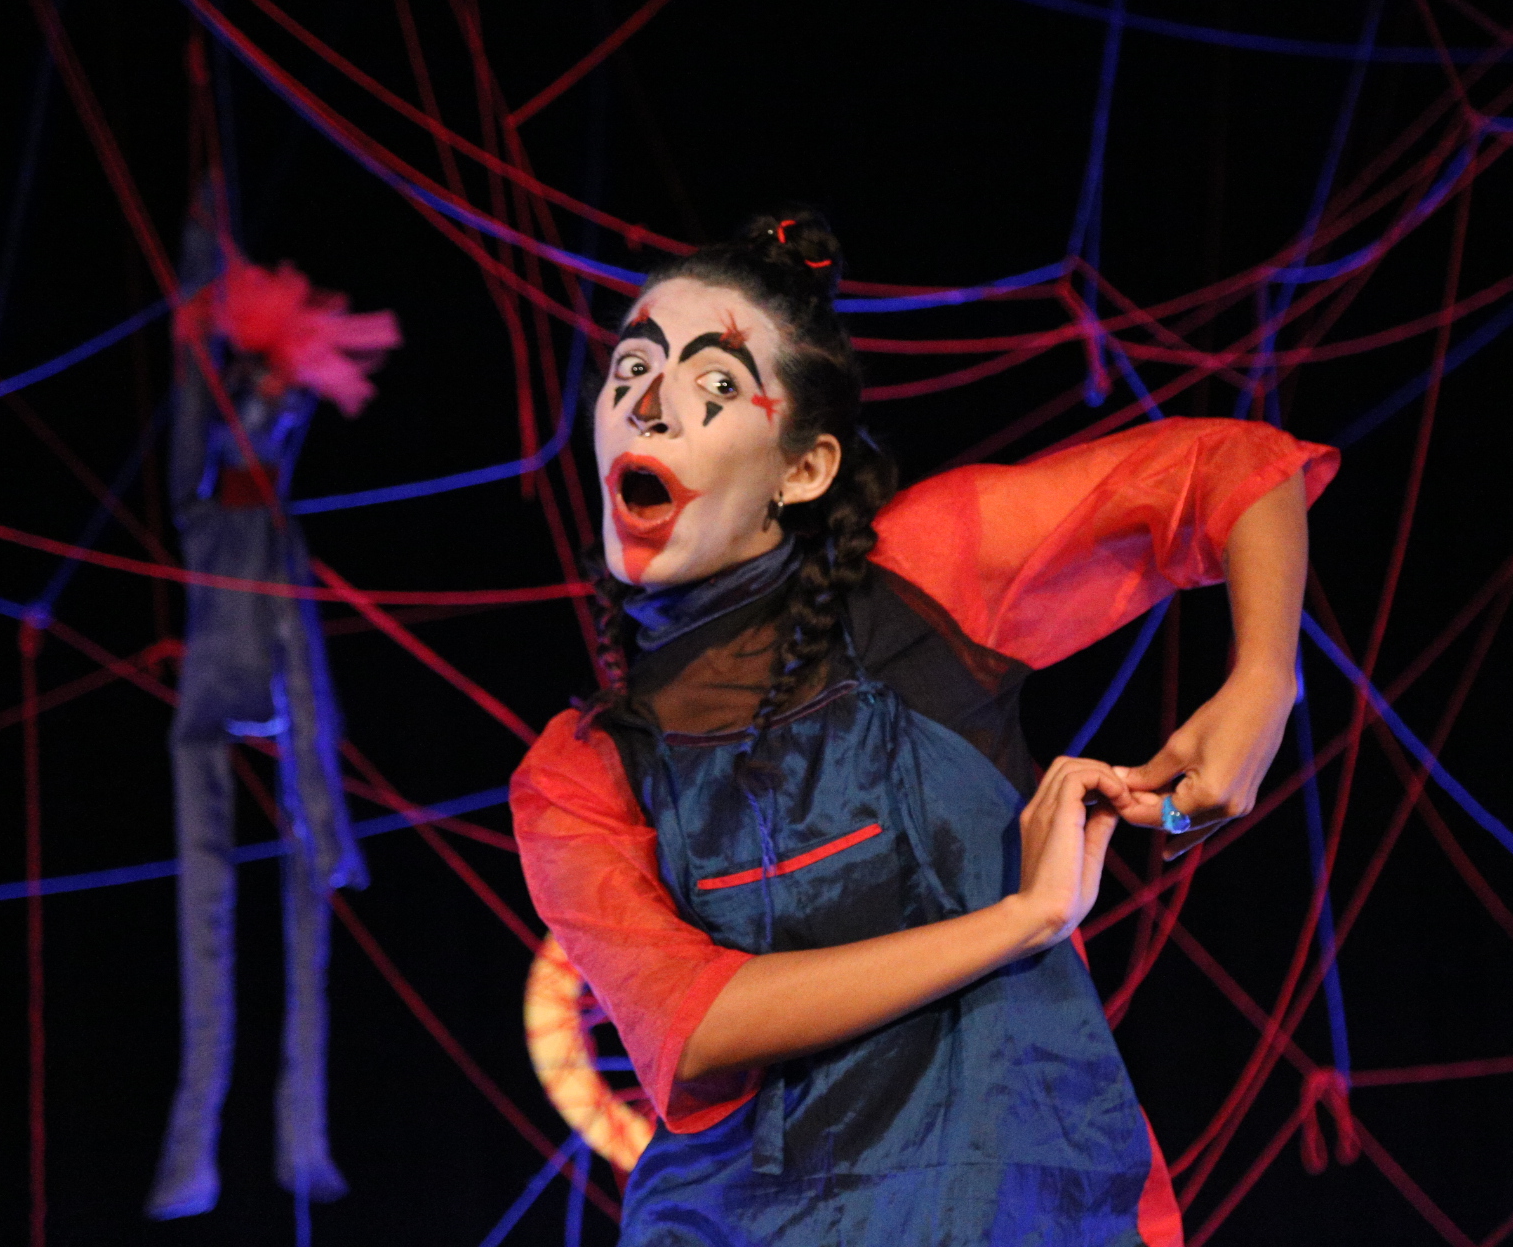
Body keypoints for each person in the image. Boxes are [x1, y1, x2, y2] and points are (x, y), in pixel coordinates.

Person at [510, 209, 1337, 1245]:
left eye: (715, 386)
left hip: (1014, 1201)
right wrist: (1022, 919)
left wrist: (1264, 682)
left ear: (802, 471)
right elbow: (697, 1021)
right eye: (633, 370)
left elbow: (1234, 467)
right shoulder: (579, 774)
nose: (648, 406)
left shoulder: (925, 583)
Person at [149, 195, 400, 1219]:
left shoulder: (278, 535)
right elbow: (190, 404)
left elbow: (312, 688)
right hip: (214, 706)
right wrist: (201, 250)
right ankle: (190, 1157)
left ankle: (304, 1140)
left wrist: (328, 822)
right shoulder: (204, 514)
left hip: (284, 706)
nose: (275, 414)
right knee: (205, 926)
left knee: (307, 930)